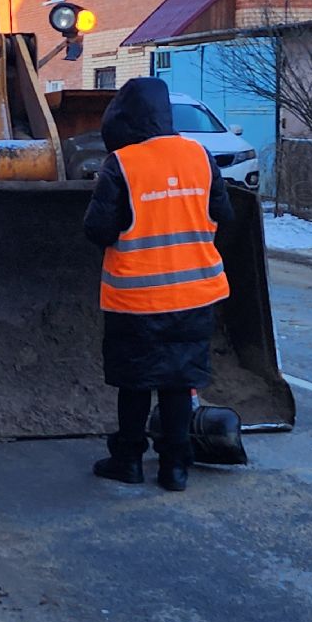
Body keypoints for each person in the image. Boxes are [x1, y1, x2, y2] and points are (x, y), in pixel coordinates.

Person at [83, 77, 234, 492]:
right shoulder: (199, 157)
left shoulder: (124, 164)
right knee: (177, 382)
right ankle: (175, 468)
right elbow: (225, 215)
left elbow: (98, 230)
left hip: (136, 298)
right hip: (194, 296)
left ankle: (128, 460)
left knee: (135, 383)